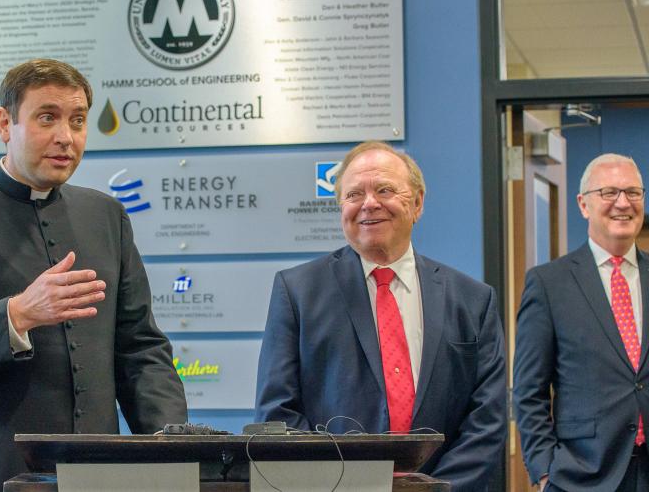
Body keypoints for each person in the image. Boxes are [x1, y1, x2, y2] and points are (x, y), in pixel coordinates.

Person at [0, 59, 187, 491]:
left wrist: (170, 448)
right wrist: (15, 316)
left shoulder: (106, 215)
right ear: (5, 124)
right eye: (48, 117)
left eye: (78, 120)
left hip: (98, 476)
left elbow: (140, 350)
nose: (66, 136)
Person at [254, 141, 506, 491]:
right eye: (354, 194)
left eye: (385, 190)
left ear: (417, 204)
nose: (369, 203)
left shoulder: (473, 300)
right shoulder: (297, 292)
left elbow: (487, 419)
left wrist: (435, 490)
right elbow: (277, 415)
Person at [514, 153, 649, 492]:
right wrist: (545, 470)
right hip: (582, 475)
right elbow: (529, 390)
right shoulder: (549, 284)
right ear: (583, 204)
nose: (623, 203)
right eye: (609, 192)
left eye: (633, 192)